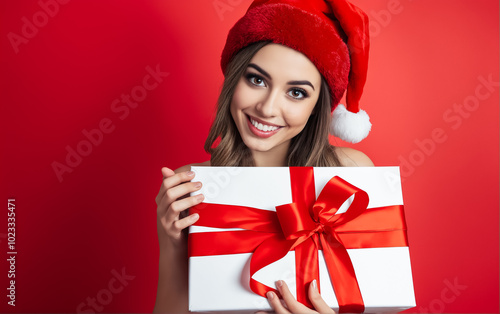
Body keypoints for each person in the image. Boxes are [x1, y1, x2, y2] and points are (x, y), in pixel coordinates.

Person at [154, 0, 374, 312]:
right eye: (256, 79)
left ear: (317, 108)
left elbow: (378, 290)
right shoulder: (192, 186)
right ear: (234, 79)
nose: (268, 108)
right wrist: (172, 246)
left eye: (296, 92)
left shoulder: (349, 175)